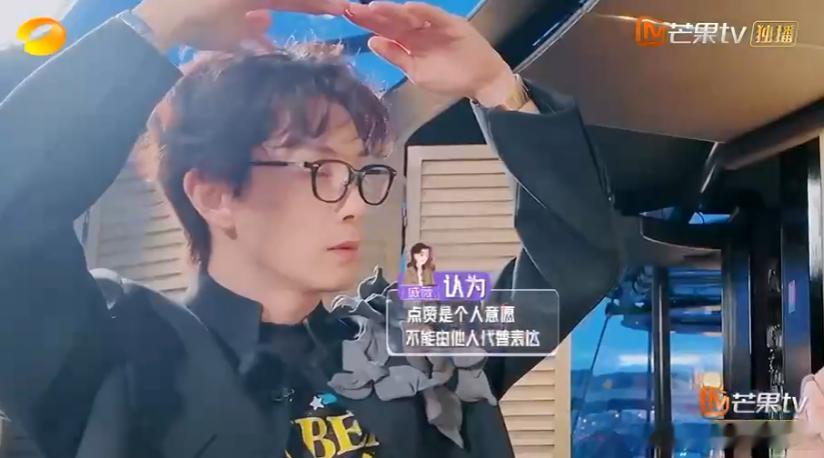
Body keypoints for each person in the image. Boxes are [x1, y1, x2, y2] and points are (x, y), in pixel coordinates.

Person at [0, 1, 621, 457]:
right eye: (321, 171)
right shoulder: (111, 355)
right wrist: (161, 21)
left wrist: (496, 87)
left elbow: (574, 265)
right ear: (214, 194)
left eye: (360, 174)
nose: (354, 206)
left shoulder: (419, 342)